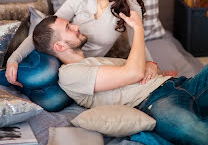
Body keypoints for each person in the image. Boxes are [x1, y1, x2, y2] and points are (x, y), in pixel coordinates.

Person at [32, 13, 208, 145]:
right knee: (199, 133)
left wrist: (151, 64)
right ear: (60, 46)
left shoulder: (98, 60)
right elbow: (135, 73)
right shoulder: (69, 74)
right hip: (156, 101)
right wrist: (138, 28)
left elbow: (145, 68)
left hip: (183, 84)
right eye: (68, 28)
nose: (76, 27)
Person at [6, 0, 158, 87]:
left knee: (53, 100)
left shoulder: (129, 6)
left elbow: (137, 42)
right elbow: (44, 33)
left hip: (83, 71)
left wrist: (150, 64)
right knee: (44, 74)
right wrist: (14, 59)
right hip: (54, 59)